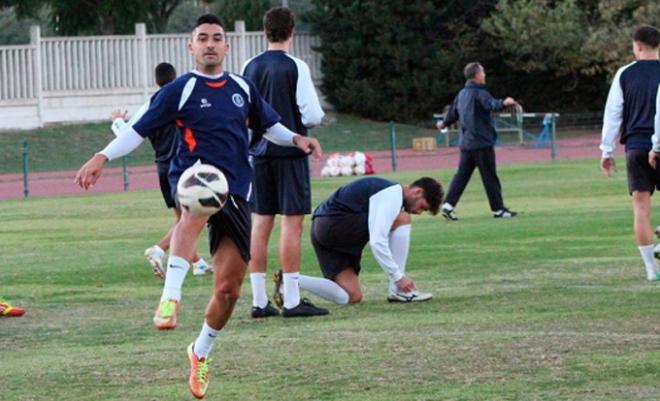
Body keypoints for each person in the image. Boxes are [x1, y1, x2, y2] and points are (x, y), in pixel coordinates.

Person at [75, 14, 322, 399]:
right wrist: (101, 156)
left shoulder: (242, 87)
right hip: (194, 177)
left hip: (237, 192)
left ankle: (200, 351)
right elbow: (137, 129)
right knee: (194, 205)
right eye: (202, 38)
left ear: (226, 47)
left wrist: (297, 139)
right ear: (191, 47)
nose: (210, 43)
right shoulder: (180, 89)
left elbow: (269, 125)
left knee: (228, 292)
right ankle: (170, 297)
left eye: (216, 38)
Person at [241, 7, 327, 318]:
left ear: (264, 31)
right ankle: (291, 299)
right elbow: (312, 114)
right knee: (292, 224)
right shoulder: (296, 66)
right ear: (292, 32)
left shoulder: (249, 65)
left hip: (258, 154)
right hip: (290, 153)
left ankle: (259, 300)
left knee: (260, 224)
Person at [109, 62, 211, 278]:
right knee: (191, 219)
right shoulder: (182, 100)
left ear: (156, 81)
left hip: (162, 168)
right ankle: (158, 249)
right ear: (177, 78)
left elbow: (127, 133)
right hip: (183, 166)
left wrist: (117, 121)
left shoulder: (151, 105)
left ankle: (198, 263)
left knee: (182, 219)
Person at [295, 176, 443, 304]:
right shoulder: (392, 193)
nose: (419, 212)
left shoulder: (388, 192)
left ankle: (291, 280)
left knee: (352, 295)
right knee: (402, 218)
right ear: (417, 192)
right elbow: (377, 241)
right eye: (422, 207)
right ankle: (399, 290)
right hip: (333, 224)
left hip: (321, 229)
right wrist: (398, 277)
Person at [601, 25, 660, 281]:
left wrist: (606, 149)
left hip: (635, 146)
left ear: (637, 46)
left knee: (640, 208)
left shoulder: (624, 74)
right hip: (658, 144)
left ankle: (650, 269)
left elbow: (613, 114)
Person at [436, 62, 518, 221]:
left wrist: (443, 124)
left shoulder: (461, 94)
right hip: (481, 143)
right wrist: (504, 103)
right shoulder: (480, 92)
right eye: (483, 72)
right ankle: (498, 210)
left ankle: (448, 206)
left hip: (466, 144)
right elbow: (491, 105)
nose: (485, 75)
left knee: (461, 176)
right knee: (490, 177)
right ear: (477, 75)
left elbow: (452, 114)